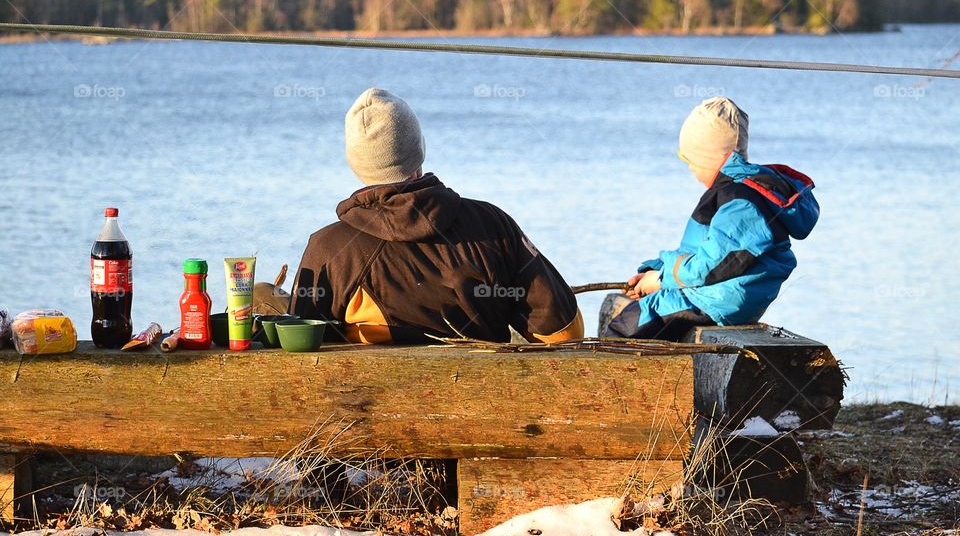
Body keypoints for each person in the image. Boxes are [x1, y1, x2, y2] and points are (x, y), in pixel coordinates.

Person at [289, 88, 583, 345]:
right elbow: (563, 334)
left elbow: (300, 344)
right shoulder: (492, 225)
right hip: (483, 403)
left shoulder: (327, 250)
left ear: (355, 163)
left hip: (368, 407)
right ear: (419, 150)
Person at [605, 97, 819, 341]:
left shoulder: (741, 204)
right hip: (713, 294)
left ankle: (611, 377)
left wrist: (663, 281)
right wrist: (656, 270)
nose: (690, 168)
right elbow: (697, 252)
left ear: (712, 158)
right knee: (637, 317)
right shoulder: (727, 193)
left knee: (625, 328)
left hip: (719, 300)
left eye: (690, 160)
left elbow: (712, 267)